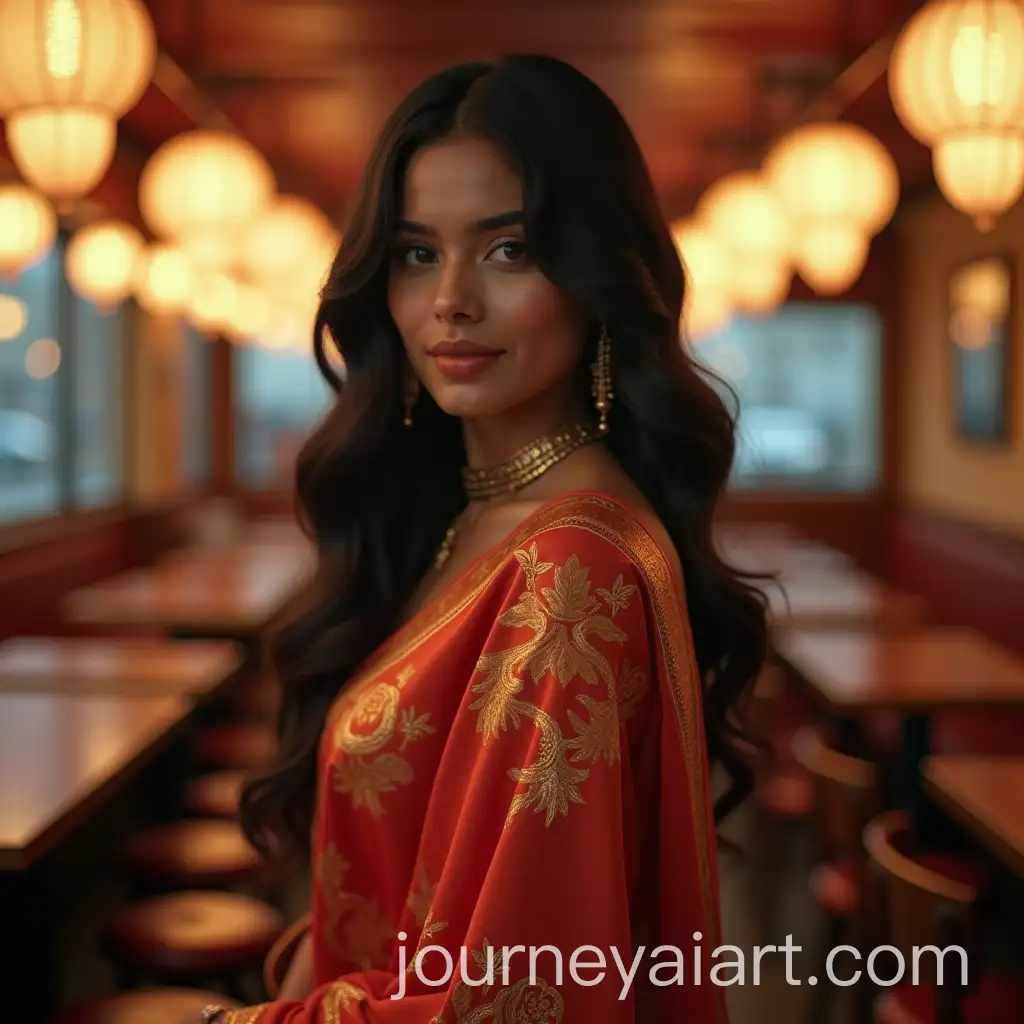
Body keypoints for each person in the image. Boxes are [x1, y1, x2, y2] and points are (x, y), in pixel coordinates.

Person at [197, 54, 768, 1024]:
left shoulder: (572, 571)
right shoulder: (470, 513)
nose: (450, 299)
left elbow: (509, 997)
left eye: (509, 250)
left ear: (596, 279)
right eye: (417, 254)